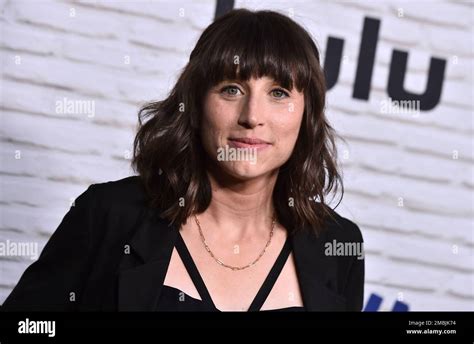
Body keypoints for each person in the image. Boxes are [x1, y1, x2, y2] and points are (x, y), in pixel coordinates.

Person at [2, 8, 364, 312]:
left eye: (279, 92)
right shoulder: (109, 215)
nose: (252, 115)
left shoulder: (338, 245)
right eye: (231, 89)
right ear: (196, 103)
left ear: (306, 114)